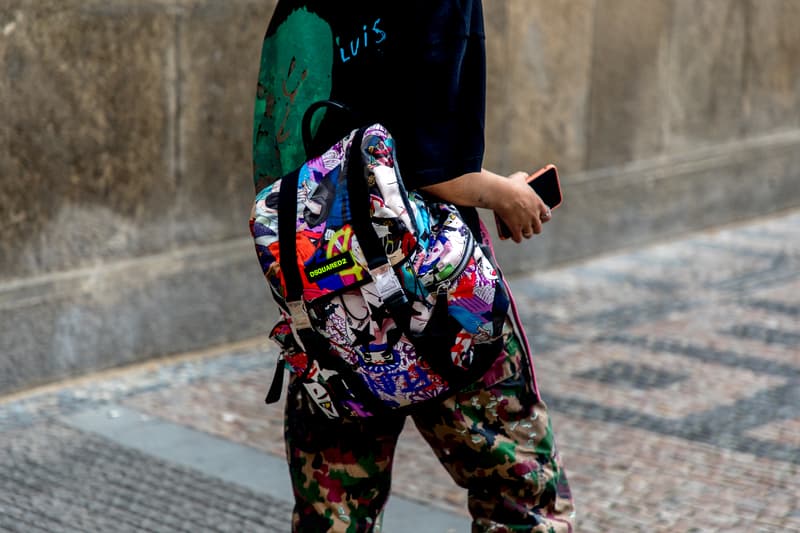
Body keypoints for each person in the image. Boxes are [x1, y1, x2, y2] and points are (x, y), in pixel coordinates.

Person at [252, 1, 575, 531]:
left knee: (332, 513)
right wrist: (509, 195)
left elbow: (279, 144)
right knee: (524, 499)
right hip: (436, 296)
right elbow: (434, 169)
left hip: (325, 295)